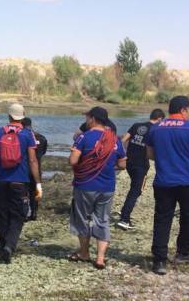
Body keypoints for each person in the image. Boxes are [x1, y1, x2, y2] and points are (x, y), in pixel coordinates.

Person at [146, 96, 189, 275]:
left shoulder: (156, 129)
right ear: (183, 110)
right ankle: (183, 253)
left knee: (162, 219)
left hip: (164, 181)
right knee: (187, 216)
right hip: (188, 181)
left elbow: (150, 155)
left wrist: (167, 159)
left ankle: (159, 261)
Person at [0, 103, 41, 264]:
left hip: (2, 180)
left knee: (3, 212)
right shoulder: (28, 135)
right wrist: (38, 183)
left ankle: (3, 244)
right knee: (18, 215)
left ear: (9, 116)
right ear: (22, 117)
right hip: (20, 181)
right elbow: (32, 160)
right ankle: (9, 246)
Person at [68, 106, 126, 270]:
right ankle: (100, 258)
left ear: (93, 119)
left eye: (87, 117)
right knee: (102, 220)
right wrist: (105, 165)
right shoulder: (114, 139)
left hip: (85, 185)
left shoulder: (84, 137)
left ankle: (84, 253)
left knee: (82, 219)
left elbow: (73, 161)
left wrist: (81, 160)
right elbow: (122, 164)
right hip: (107, 186)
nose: (86, 120)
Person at [116, 109, 165, 230]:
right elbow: (156, 148)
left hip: (129, 161)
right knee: (136, 191)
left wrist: (125, 153)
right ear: (159, 119)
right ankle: (124, 219)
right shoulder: (156, 130)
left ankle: (124, 211)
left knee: (134, 188)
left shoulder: (136, 125)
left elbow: (123, 140)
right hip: (141, 164)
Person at [21, 117, 48, 221]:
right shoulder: (42, 138)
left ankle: (24, 213)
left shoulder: (22, 137)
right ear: (31, 125)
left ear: (22, 125)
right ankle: (34, 213)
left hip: (25, 169)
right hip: (37, 169)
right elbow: (43, 152)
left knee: (25, 192)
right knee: (35, 191)